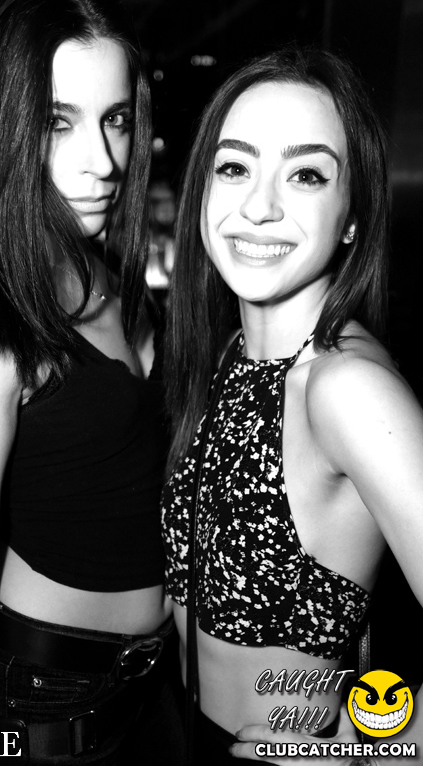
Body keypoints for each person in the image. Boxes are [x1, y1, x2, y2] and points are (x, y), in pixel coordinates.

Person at [0, 0, 182, 763]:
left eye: (116, 120)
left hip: (155, 690)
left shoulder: (105, 271)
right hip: (54, 707)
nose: (104, 160)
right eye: (58, 122)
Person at [162, 47, 423, 765]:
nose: (258, 206)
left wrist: (364, 748)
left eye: (306, 174)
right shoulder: (231, 353)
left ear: (352, 217)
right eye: (234, 167)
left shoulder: (346, 387)